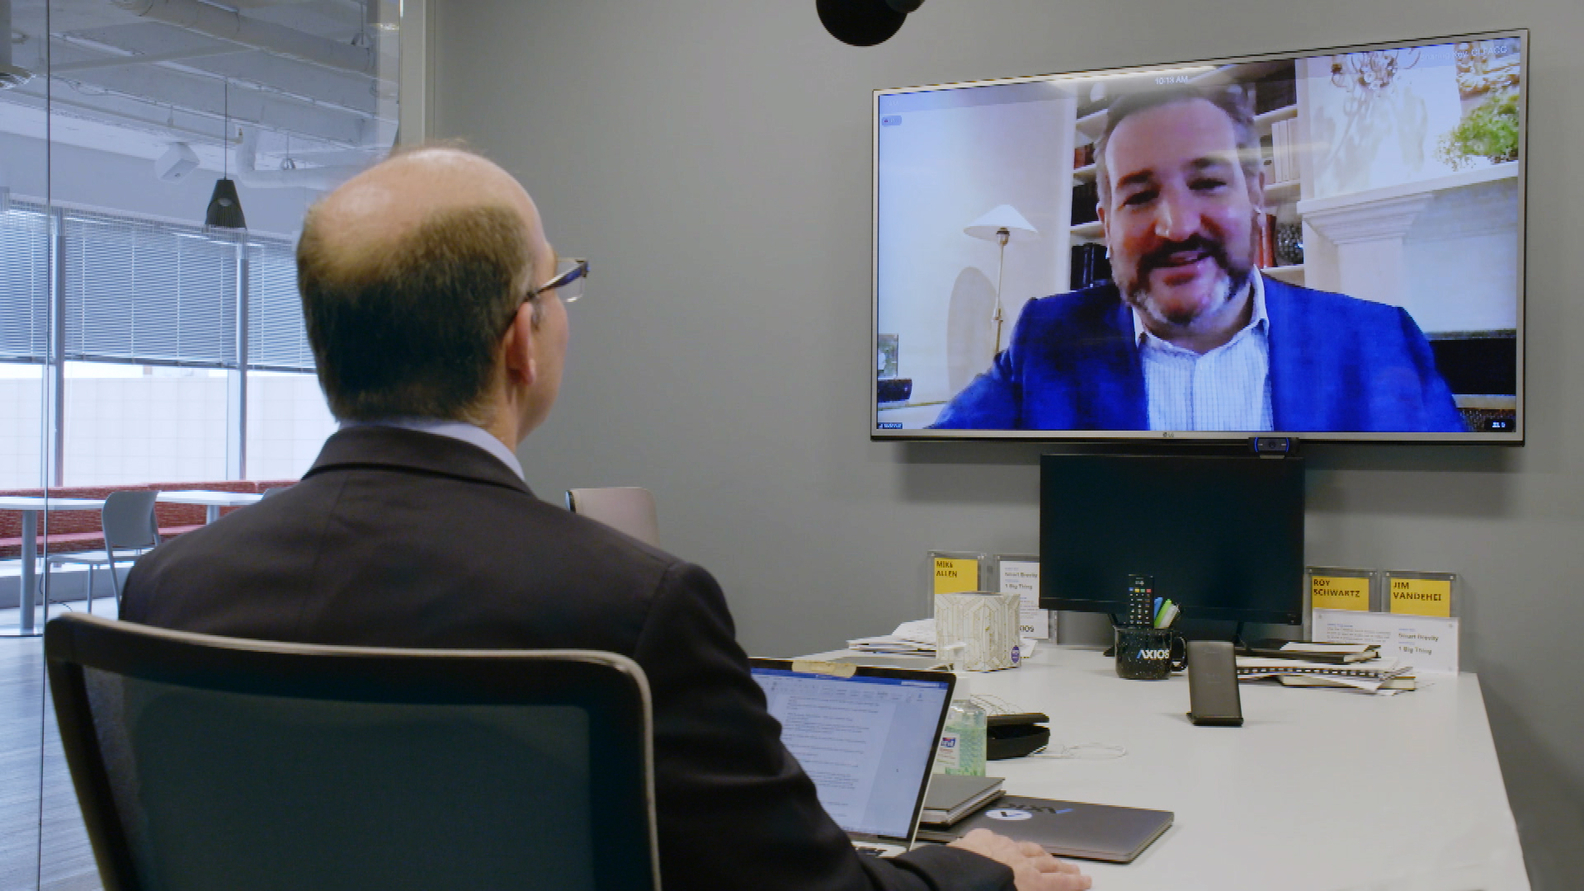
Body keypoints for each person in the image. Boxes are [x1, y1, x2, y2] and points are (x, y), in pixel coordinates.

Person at [120, 146, 1091, 891]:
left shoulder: (170, 588)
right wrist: (975, 869)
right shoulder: (631, 606)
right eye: (558, 286)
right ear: (522, 340)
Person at [932, 84, 1464, 433]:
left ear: (1255, 194)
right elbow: (928, 472)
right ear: (1107, 223)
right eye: (1140, 195)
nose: (1178, 226)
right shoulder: (1046, 340)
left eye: (1207, 183)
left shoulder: (1379, 343)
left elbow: (1455, 515)